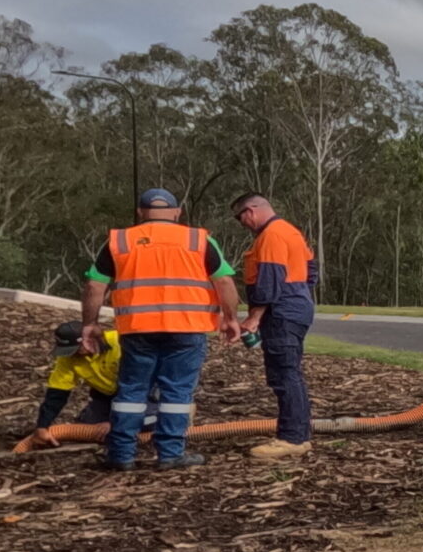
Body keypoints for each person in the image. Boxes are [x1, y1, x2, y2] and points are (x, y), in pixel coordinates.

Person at [80, 188, 241, 471]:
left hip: (137, 329)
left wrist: (90, 324)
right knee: (177, 392)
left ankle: (121, 455)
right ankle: (170, 454)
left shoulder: (120, 240)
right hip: (187, 328)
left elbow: (95, 286)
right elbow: (225, 282)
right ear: (177, 212)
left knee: (131, 391)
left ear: (140, 212)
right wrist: (230, 318)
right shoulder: (198, 239)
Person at [230, 192, 319, 459]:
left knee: (284, 374)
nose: (243, 224)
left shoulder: (271, 236)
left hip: (281, 311)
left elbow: (269, 281)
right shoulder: (291, 232)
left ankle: (292, 438)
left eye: (240, 218)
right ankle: (298, 434)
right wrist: (300, 296)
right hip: (296, 306)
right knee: (289, 372)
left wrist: (254, 317)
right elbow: (311, 270)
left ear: (251, 211)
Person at [10, 321, 132, 453]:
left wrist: (116, 422)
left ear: (88, 339)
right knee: (91, 429)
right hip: (106, 396)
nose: (73, 355)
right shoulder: (68, 359)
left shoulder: (120, 342)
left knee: (131, 425)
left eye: (76, 349)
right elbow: (57, 394)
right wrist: (42, 426)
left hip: (141, 394)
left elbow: (139, 383)